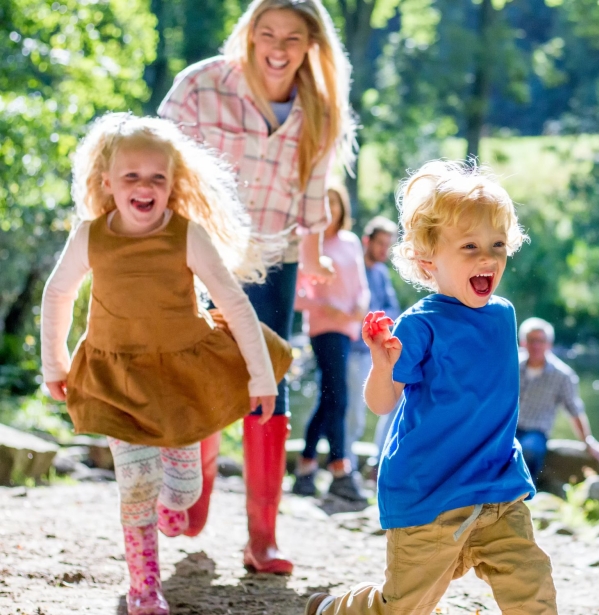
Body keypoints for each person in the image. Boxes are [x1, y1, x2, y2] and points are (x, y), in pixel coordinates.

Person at [41, 114, 291, 615]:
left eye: (157, 177)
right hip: (116, 379)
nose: (144, 186)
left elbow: (235, 304)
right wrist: (56, 363)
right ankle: (144, 589)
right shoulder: (91, 235)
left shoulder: (186, 235)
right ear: (106, 182)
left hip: (179, 381)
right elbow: (57, 294)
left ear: (173, 184)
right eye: (131, 176)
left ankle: (170, 509)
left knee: (179, 496)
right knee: (134, 484)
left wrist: (262, 378)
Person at [305, 160, 557, 615]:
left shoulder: (504, 314)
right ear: (428, 261)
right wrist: (383, 366)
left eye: (497, 245)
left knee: (532, 588)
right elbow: (381, 404)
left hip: (497, 488)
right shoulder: (420, 325)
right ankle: (336, 610)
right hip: (429, 494)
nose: (488, 257)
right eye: (470, 246)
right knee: (402, 607)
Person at [157, 0, 357, 574]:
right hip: (200, 252)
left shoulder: (319, 105)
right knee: (201, 371)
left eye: (292, 38)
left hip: (274, 256)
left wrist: (315, 256)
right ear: (248, 34)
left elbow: (314, 193)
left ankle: (261, 538)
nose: (277, 47)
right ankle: (193, 492)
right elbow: (155, 159)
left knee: (267, 375)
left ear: (311, 44)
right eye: (266, 33)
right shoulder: (201, 86)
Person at [292, 182, 369, 501]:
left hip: (349, 327)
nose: (330, 210)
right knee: (338, 396)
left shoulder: (350, 242)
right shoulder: (310, 244)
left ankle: (307, 466)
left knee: (330, 398)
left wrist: (361, 308)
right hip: (324, 328)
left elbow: (361, 285)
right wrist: (322, 307)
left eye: (335, 204)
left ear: (342, 209)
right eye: (325, 204)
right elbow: (295, 296)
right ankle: (340, 468)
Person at [517, 317, 599, 483]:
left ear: (549, 344)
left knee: (527, 450)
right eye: (531, 340)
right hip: (508, 428)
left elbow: (574, 410)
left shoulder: (562, 375)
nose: (536, 345)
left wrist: (587, 441)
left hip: (535, 432)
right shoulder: (512, 365)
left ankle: (524, 494)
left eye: (541, 341)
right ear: (523, 343)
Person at [344, 216, 400, 471]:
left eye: (388, 245)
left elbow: (392, 308)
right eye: (380, 243)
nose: (383, 250)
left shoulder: (381, 273)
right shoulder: (353, 268)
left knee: (392, 405)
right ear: (367, 240)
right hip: (354, 349)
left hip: (377, 349)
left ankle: (379, 462)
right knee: (353, 413)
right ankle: (348, 467)